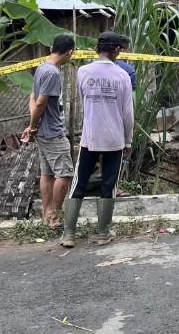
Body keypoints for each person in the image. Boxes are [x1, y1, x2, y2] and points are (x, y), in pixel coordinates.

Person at [60, 31, 134, 248]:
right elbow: (127, 113)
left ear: (97, 48)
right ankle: (103, 233)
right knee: (109, 184)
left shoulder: (83, 72)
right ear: (116, 49)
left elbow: (84, 101)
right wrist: (128, 140)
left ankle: (69, 234)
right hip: (114, 138)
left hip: (90, 136)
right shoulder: (122, 76)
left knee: (78, 183)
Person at [22, 34, 76, 228]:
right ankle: (53, 213)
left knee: (47, 173)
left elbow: (33, 98)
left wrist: (32, 125)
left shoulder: (41, 68)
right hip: (52, 132)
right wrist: (34, 125)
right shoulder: (52, 72)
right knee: (65, 173)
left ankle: (46, 214)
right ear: (70, 52)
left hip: (43, 132)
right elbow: (41, 101)